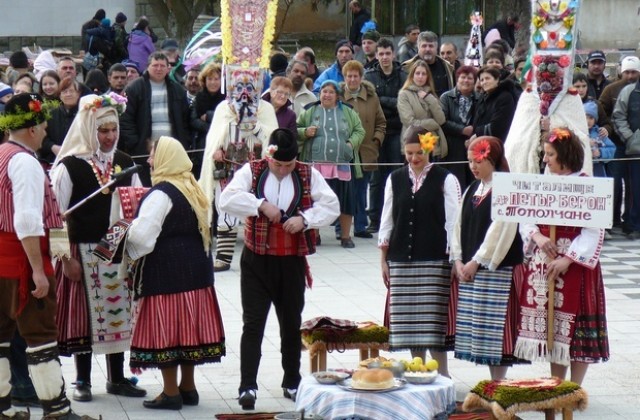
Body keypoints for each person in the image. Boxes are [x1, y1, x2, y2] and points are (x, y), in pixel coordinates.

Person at [219, 128, 340, 409]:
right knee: (253, 325)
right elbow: (226, 199)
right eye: (279, 164)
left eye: (289, 165)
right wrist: (260, 204)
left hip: (291, 262)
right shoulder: (253, 170)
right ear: (269, 157)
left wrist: (305, 219)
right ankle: (247, 386)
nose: (284, 170)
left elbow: (332, 205)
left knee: (290, 323)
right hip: (256, 261)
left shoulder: (308, 174)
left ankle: (292, 381)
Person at [0, 92, 99, 420]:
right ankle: (56, 411)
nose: (45, 131)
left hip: (4, 262)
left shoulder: (2, 154)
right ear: (30, 129)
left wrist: (62, 255)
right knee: (40, 336)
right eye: (42, 125)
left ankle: (4, 409)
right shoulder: (26, 162)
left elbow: (48, 215)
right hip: (22, 262)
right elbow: (28, 220)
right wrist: (38, 271)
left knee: (0, 337)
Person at [50, 93, 145, 403]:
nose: (109, 137)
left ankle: (117, 378)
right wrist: (65, 259)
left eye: (113, 130)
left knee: (118, 312)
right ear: (89, 129)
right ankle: (82, 380)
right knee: (84, 318)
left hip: (115, 249)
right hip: (80, 250)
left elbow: (138, 205)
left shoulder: (126, 163)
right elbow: (53, 217)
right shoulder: (69, 166)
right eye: (103, 130)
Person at [126, 136, 226, 410]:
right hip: (196, 273)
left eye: (153, 155)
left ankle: (171, 392)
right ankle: (188, 387)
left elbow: (143, 236)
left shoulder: (161, 194)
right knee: (188, 331)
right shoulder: (192, 187)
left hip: (168, 275)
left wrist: (123, 239)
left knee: (168, 332)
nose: (148, 160)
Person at [513, 127, 609, 385]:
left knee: (578, 330)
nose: (545, 159)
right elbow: (525, 214)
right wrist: (538, 236)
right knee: (554, 329)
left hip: (575, 266)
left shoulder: (586, 185)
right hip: (545, 262)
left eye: (550, 154)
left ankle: (574, 388)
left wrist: (568, 258)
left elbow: (594, 230)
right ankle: (557, 384)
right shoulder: (543, 184)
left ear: (565, 156)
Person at [379, 125, 460, 378]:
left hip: (435, 257)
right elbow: (387, 219)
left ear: (429, 150)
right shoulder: (395, 179)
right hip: (401, 257)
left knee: (434, 322)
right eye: (409, 153)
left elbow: (453, 223)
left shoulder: (446, 179)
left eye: (419, 153)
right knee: (410, 321)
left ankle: (442, 373)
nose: (414, 159)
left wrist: (455, 258)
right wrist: (383, 258)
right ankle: (418, 369)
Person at [450, 136, 524, 380]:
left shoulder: (506, 187)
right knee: (481, 326)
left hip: (496, 268)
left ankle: (499, 381)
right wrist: (458, 258)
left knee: (498, 328)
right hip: (472, 267)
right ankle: (494, 381)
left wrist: (477, 260)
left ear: (492, 159)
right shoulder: (473, 188)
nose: (473, 166)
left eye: (478, 161)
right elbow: (459, 225)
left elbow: (500, 229)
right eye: (470, 161)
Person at [199, 67, 278, 272]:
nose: (244, 91)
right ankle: (223, 258)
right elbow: (214, 136)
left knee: (259, 207)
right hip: (228, 166)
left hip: (256, 167)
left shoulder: (265, 109)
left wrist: (256, 127)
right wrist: (216, 149)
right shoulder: (223, 109)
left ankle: (262, 253)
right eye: (239, 86)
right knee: (225, 208)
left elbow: (273, 138)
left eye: (249, 86)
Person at [297, 80, 365, 248]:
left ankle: (345, 236)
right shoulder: (310, 111)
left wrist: (350, 144)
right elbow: (296, 129)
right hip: (315, 166)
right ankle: (315, 235)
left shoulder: (347, 112)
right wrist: (305, 132)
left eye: (330, 92)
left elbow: (359, 130)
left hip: (341, 164)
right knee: (315, 200)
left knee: (345, 200)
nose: (326, 95)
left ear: (337, 96)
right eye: (323, 92)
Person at [120, 52, 191, 186]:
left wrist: (184, 141)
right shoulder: (135, 88)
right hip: (144, 150)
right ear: (148, 67)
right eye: (155, 65)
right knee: (147, 185)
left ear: (168, 68)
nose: (159, 69)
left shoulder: (178, 89)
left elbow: (185, 119)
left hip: (172, 148)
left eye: (162, 66)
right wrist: (136, 143)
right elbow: (126, 119)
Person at [364, 38, 407, 234]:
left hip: (398, 130)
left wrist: (384, 101)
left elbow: (404, 102)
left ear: (393, 54)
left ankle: (397, 215)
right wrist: (391, 102)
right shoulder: (369, 76)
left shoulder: (404, 75)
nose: (384, 57)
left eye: (387, 53)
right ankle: (374, 218)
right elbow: (371, 103)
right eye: (380, 54)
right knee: (376, 177)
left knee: (396, 174)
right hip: (377, 132)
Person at [340, 60, 386, 239]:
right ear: (344, 78)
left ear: (361, 77)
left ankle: (360, 226)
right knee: (344, 190)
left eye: (355, 76)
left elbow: (381, 122)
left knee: (361, 190)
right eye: (349, 76)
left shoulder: (372, 97)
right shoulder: (339, 96)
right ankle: (340, 228)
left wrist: (376, 140)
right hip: (345, 151)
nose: (352, 79)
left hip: (366, 150)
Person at [599, 56, 640, 233]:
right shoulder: (611, 89)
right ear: (621, 72)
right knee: (614, 184)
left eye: (634, 72)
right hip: (617, 144)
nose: (630, 75)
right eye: (627, 72)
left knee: (634, 186)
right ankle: (611, 220)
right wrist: (627, 136)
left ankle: (631, 220)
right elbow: (605, 113)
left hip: (634, 145)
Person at [397, 60, 448, 160]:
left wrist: (429, 98)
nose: (420, 76)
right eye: (417, 73)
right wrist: (432, 123)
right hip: (413, 144)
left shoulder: (430, 94)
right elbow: (410, 122)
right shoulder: (404, 94)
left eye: (423, 74)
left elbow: (441, 120)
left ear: (427, 77)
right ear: (412, 75)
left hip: (432, 145)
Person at [440, 65, 479, 189]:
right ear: (457, 79)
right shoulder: (446, 97)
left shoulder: (480, 98)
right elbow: (442, 121)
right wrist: (462, 130)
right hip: (453, 146)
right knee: (456, 183)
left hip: (474, 144)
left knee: (474, 182)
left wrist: (474, 131)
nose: (466, 81)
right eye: (463, 77)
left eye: (469, 78)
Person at [613, 77, 640, 239]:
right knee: (635, 189)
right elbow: (618, 117)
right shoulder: (629, 91)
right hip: (635, 150)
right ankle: (633, 223)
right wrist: (631, 139)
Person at [190, 62, 225, 176]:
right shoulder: (199, 98)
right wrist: (211, 128)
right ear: (204, 80)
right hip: (203, 143)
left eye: (216, 79)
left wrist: (209, 115)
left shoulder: (226, 98)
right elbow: (193, 120)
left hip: (223, 142)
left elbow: (226, 118)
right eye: (210, 79)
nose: (213, 82)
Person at [39, 77, 84, 165]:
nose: (68, 94)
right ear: (60, 95)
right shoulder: (51, 114)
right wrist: (52, 147)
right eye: (64, 92)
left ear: (78, 94)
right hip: (54, 160)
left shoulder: (85, 114)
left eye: (71, 91)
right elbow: (41, 138)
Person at [403, 31, 455, 98]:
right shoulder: (406, 68)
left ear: (436, 48)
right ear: (418, 48)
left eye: (431, 46)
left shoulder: (447, 68)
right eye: (424, 46)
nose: (427, 49)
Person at [473, 66, 516, 142]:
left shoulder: (505, 97)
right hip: (481, 141)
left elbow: (497, 126)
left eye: (487, 78)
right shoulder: (483, 98)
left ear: (497, 79)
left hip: (497, 142)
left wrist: (476, 133)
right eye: (482, 80)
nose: (484, 82)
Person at [584, 101, 614, 178]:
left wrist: (600, 152)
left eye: (591, 118)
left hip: (598, 168)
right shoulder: (576, 133)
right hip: (580, 167)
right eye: (585, 117)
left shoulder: (599, 133)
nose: (588, 121)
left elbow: (611, 149)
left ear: (595, 120)